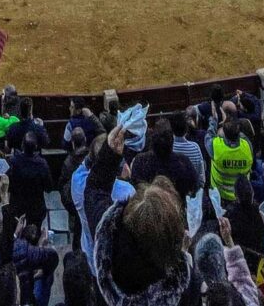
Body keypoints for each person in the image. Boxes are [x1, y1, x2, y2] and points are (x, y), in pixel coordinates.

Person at [84, 123, 199, 305]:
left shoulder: (106, 239)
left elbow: (95, 190)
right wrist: (183, 255)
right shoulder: (185, 286)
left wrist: (110, 154)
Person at [129, 117, 200, 203]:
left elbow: (134, 191)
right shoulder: (183, 162)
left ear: (152, 139)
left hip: (148, 211)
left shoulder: (140, 161)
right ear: (172, 140)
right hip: (176, 211)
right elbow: (195, 188)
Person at [205, 103, 254, 205]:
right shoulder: (247, 146)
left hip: (220, 196)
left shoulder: (216, 146)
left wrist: (214, 119)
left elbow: (208, 136)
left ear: (224, 134)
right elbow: (243, 135)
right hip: (241, 195)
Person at [8, 131, 53, 228]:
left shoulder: (13, 161)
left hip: (17, 206)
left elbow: (8, 185)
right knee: (34, 235)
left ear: (22, 145)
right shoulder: (42, 164)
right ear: (36, 146)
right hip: (36, 208)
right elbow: (49, 187)